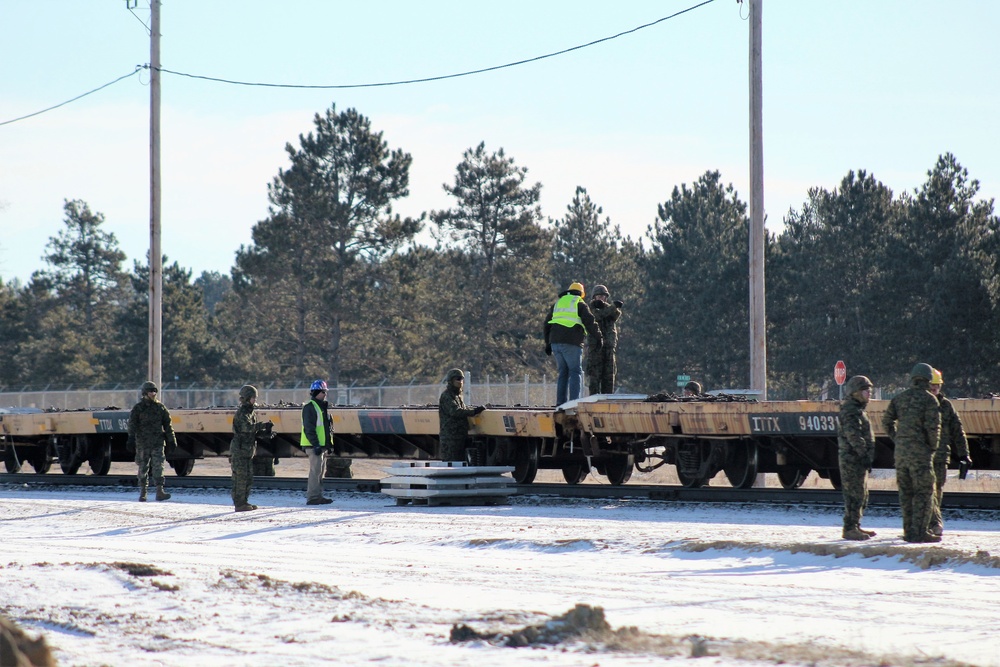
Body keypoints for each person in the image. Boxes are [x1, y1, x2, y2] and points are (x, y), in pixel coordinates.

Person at [881, 363, 942, 543]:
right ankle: (920, 532)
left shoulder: (899, 399)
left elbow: (886, 421)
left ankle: (908, 531)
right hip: (920, 454)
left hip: (900, 454)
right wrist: (932, 447)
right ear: (928, 379)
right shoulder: (930, 400)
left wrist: (898, 438)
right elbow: (933, 428)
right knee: (924, 492)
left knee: (906, 493)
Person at [927, 368, 972, 536]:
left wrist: (964, 454)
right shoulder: (919, 405)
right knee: (923, 491)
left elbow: (958, 431)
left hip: (940, 457)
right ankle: (928, 524)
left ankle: (933, 523)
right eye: (931, 385)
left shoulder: (946, 406)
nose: (934, 389)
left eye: (937, 386)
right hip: (923, 456)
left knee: (936, 490)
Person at [544, 281, 602, 405]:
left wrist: (547, 343)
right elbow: (590, 322)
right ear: (581, 294)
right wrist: (599, 337)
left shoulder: (558, 303)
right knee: (575, 372)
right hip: (571, 343)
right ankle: (574, 403)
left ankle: (560, 404)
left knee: (563, 373)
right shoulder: (579, 303)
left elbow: (546, 324)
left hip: (555, 343)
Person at [837, 375, 877, 540]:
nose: (868, 394)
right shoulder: (850, 411)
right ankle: (850, 528)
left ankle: (856, 525)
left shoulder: (858, 410)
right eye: (865, 391)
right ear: (855, 392)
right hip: (852, 460)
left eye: (869, 391)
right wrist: (863, 454)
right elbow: (853, 436)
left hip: (858, 459)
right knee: (854, 494)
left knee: (861, 494)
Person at [127, 380, 176, 502]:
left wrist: (171, 439)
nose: (153, 393)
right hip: (143, 443)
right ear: (145, 393)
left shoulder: (160, 408)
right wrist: (131, 439)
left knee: (158, 466)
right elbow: (132, 425)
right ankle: (143, 492)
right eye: (150, 391)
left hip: (157, 443)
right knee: (143, 467)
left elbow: (168, 425)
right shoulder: (138, 408)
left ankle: (160, 491)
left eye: (155, 391)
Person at [231, 384, 272, 512]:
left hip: (247, 450)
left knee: (248, 477)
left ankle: (244, 501)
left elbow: (252, 431)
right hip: (240, 450)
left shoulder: (250, 412)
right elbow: (247, 428)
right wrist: (262, 426)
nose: (255, 400)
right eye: (253, 397)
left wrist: (266, 433)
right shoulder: (242, 412)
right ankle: (239, 504)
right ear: (247, 398)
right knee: (240, 478)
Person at [438, 368, 485, 462]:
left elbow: (463, 408)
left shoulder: (457, 396)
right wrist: (473, 412)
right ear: (451, 381)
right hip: (451, 438)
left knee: (460, 463)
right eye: (457, 379)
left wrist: (475, 409)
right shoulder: (447, 396)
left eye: (462, 379)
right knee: (452, 463)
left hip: (459, 436)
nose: (460, 382)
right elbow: (455, 411)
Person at [301, 379, 334, 505]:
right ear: (316, 392)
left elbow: (327, 429)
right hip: (314, 445)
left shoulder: (322, 407)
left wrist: (329, 445)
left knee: (319, 472)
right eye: (323, 392)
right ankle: (313, 497)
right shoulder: (310, 407)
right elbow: (309, 428)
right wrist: (315, 444)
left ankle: (317, 496)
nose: (325, 394)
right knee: (315, 472)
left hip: (320, 445)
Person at [586, 284, 623, 395]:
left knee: (609, 377)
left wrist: (613, 307)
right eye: (599, 296)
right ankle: (593, 401)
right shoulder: (590, 308)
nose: (602, 298)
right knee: (595, 377)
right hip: (596, 348)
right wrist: (613, 306)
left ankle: (608, 400)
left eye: (604, 296)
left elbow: (615, 315)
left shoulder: (608, 308)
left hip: (609, 348)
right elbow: (598, 316)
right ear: (594, 297)